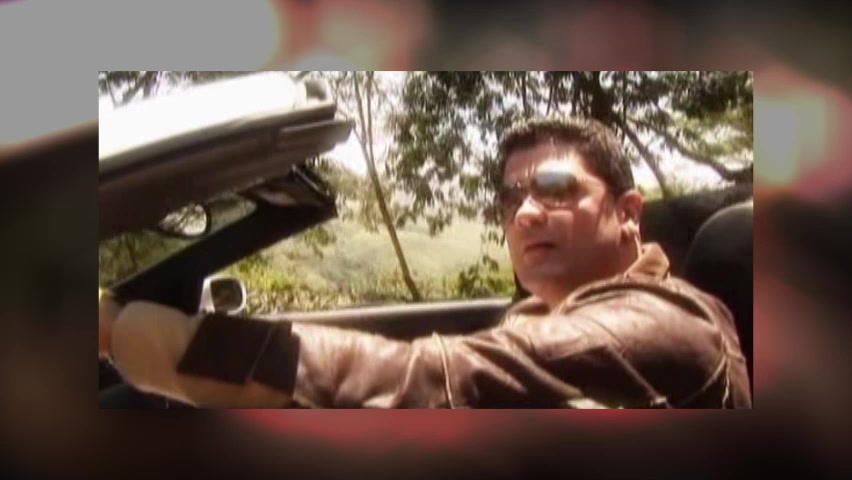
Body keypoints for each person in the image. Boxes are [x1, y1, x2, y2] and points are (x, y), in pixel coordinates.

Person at [98, 117, 752, 408]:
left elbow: (430, 380)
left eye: (555, 189)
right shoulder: (542, 316)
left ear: (629, 212)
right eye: (510, 198)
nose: (525, 214)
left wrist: (118, 331)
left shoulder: (667, 326)